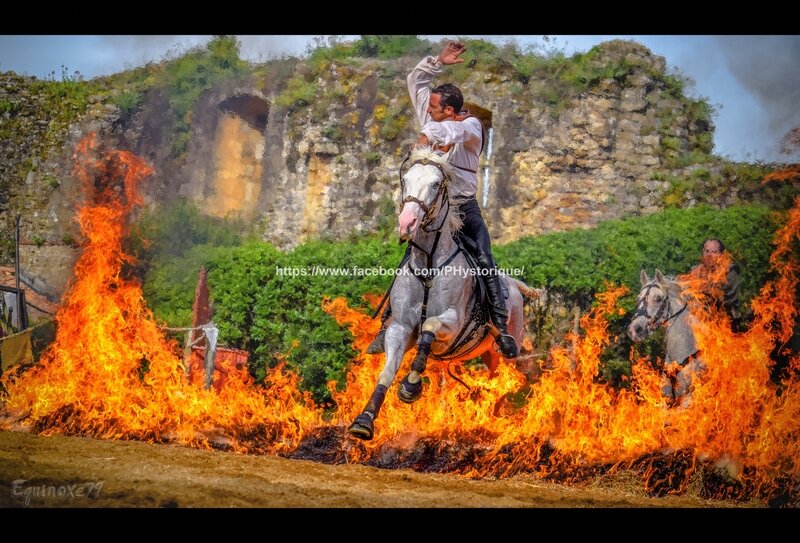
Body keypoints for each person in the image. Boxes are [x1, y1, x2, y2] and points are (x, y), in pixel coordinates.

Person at [366, 41, 519, 359]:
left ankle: (501, 327)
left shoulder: (472, 126)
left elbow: (450, 132)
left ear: (449, 111)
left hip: (463, 207)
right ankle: (389, 323)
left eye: (434, 110)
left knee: (485, 261)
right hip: (433, 208)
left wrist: (426, 137)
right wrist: (438, 61)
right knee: (411, 259)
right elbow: (415, 81)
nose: (428, 113)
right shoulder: (435, 114)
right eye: (431, 110)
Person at [689, 238, 742, 323]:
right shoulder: (696, 271)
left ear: (721, 255)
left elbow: (725, 300)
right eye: (707, 251)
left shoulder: (729, 271)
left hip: (723, 322)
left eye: (714, 252)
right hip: (697, 320)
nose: (709, 255)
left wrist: (703, 289)